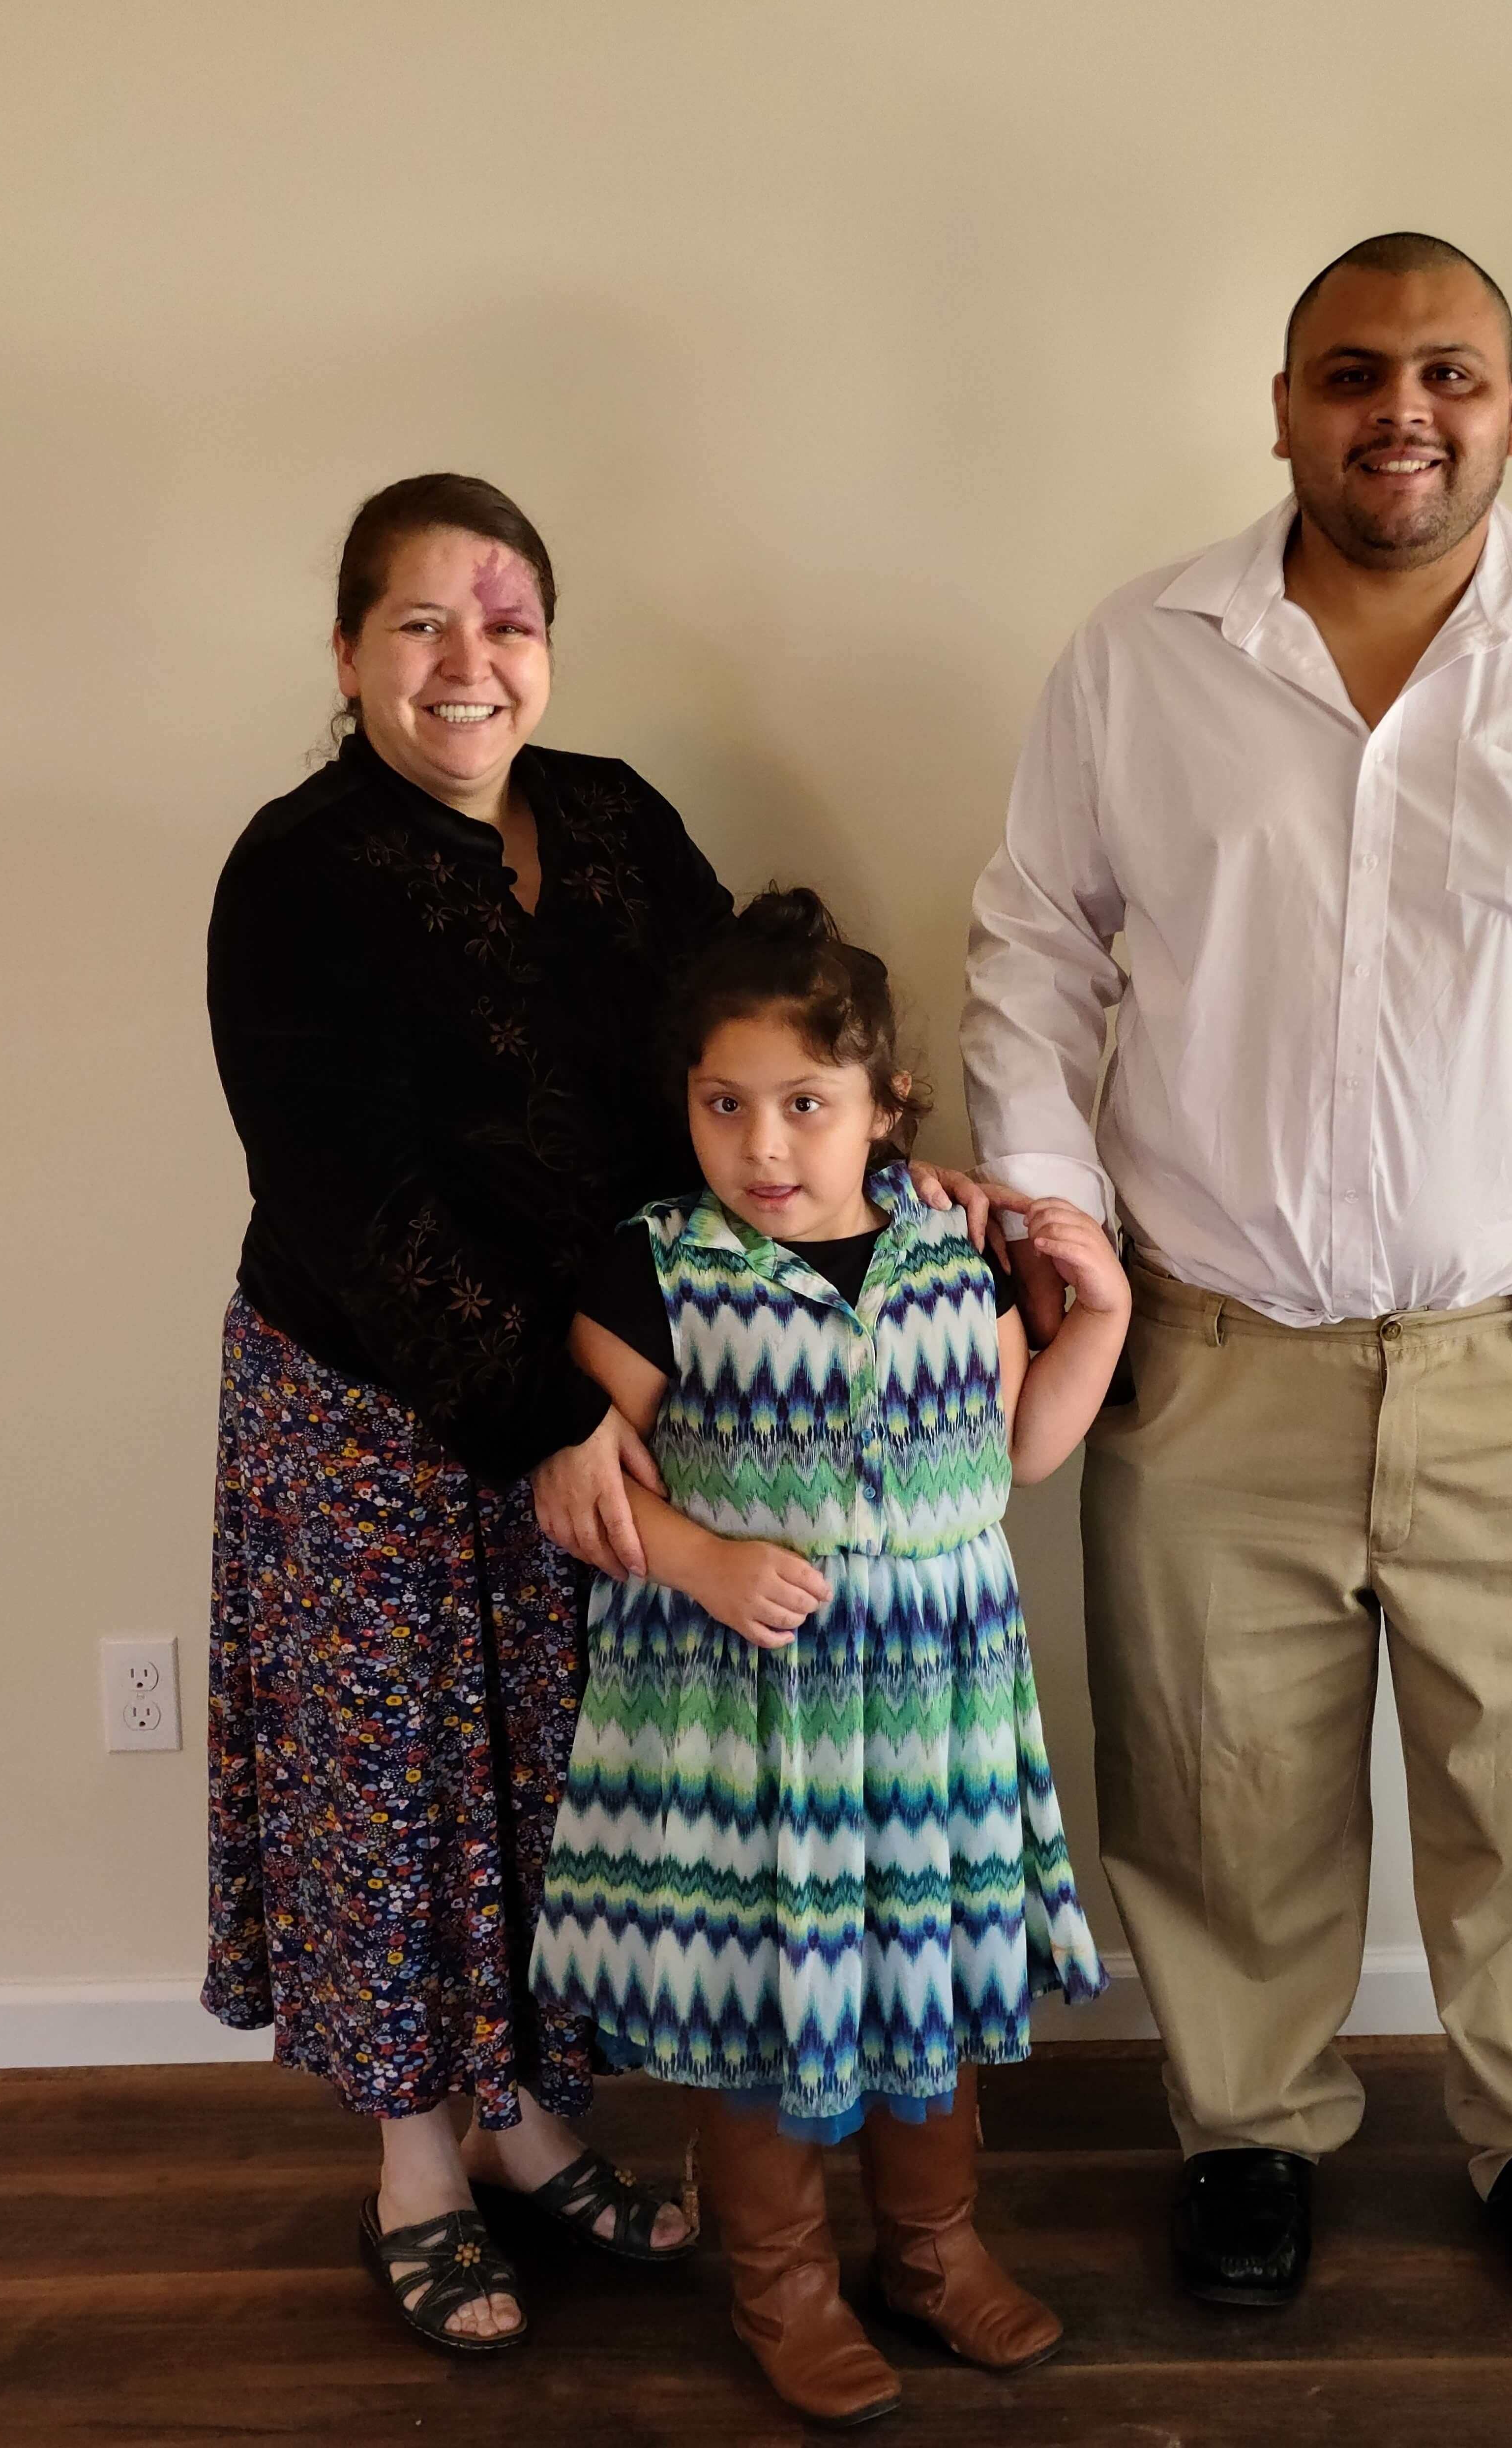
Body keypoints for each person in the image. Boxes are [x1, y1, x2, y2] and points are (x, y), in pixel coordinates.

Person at [961, 233, 1512, 2317]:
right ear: (1282, 407)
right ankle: (1249, 2135)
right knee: (1220, 1792)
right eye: (1351, 373)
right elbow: (1033, 952)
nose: (1398, 411)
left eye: (1445, 373)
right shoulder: (1143, 658)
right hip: (1216, 1356)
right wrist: (1062, 1238)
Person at [199, 472, 736, 2355]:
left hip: (591, 1395)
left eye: (502, 622)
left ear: (548, 651)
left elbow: (735, 1062)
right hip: (369, 1405)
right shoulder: (296, 867)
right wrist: (541, 1416)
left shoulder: (612, 817)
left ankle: (536, 2128)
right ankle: (418, 2168)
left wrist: (888, 1179)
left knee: (548, 1785)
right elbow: (344, 1195)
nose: (465, 661)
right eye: (419, 623)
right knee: (393, 1797)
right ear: (347, 655)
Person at [531, 889, 1123, 2426]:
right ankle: (779, 2283)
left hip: (932, 1702)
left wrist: (1100, 1320)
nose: (764, 1145)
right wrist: (704, 1560)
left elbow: (1020, 1456)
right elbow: (578, 1478)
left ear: (884, 1106)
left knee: (914, 1980)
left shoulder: (951, 1251)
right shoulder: (657, 1268)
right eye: (724, 1105)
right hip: (749, 1707)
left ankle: (933, 2246)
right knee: (767, 2002)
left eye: (805, 1104)